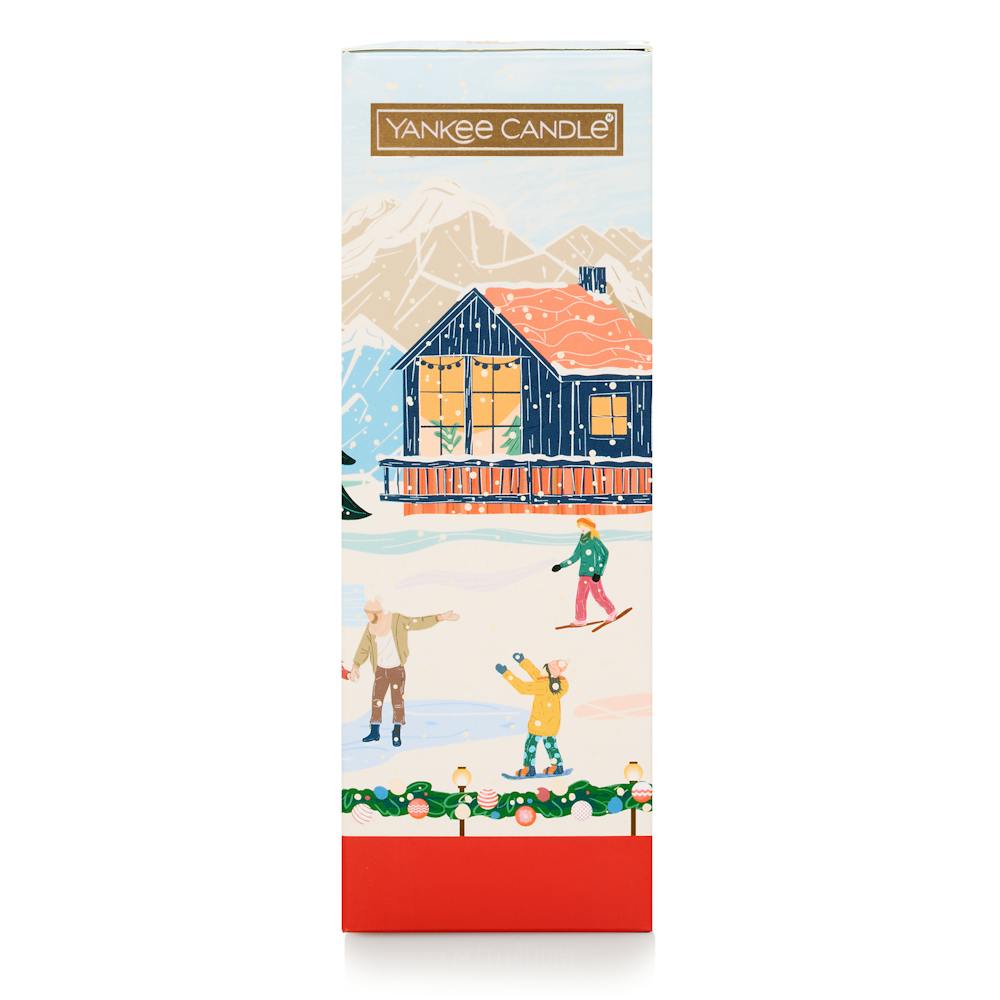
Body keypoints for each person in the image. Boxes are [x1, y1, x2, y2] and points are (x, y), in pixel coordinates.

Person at [351, 597, 459, 747]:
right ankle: (374, 731)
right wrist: (356, 665)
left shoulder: (396, 620)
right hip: (380, 670)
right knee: (376, 700)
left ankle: (396, 732)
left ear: (376, 612)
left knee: (397, 702)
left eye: (369, 614)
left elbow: (418, 622)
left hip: (396, 669)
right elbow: (364, 647)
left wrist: (439, 617)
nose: (368, 617)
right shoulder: (370, 627)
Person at [494, 652, 570, 776]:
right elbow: (536, 673)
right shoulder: (557, 684)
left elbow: (523, 688)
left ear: (549, 673)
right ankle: (557, 766)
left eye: (545, 669)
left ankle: (529, 768)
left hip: (539, 723)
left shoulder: (543, 686)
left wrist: (506, 673)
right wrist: (522, 661)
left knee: (531, 744)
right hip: (551, 723)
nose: (542, 671)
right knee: (550, 744)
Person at [551, 516, 616, 626]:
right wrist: (561, 565)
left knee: (598, 596)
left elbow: (604, 553)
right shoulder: (582, 541)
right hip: (583, 574)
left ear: (590, 527)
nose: (581, 529)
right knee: (580, 597)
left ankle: (612, 611)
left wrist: (598, 572)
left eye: (583, 527)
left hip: (593, 574)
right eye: (580, 527)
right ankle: (580, 619)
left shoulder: (594, 540)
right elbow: (575, 556)